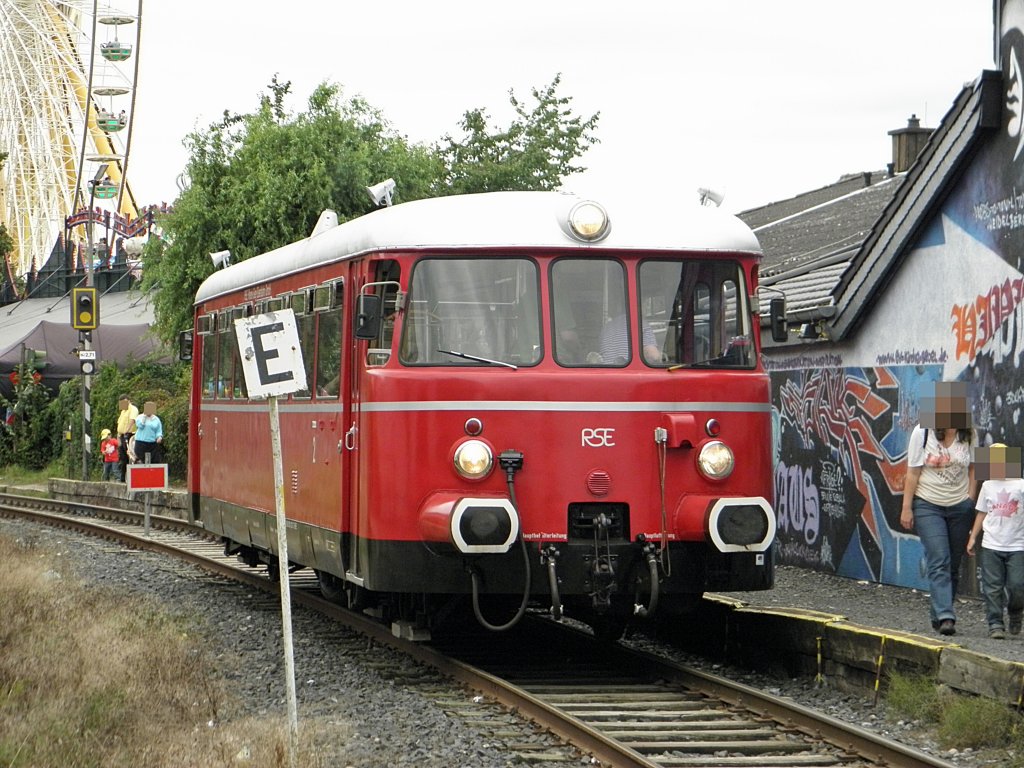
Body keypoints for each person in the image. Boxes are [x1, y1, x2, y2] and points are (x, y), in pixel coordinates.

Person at [900, 381, 976, 636]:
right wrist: (907, 508)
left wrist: (970, 498)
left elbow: (976, 467)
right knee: (939, 558)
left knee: (953, 564)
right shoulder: (922, 433)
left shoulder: (970, 435)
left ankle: (940, 612)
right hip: (928, 504)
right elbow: (912, 472)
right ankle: (946, 616)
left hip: (959, 507)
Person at [967, 443, 1024, 639]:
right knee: (992, 587)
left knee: (1018, 585)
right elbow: (982, 512)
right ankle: (995, 624)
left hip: (1018, 545)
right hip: (991, 544)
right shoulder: (987, 486)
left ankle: (1016, 611)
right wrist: (973, 537)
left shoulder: (1021, 485)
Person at [116, 395, 138, 480]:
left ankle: (131, 477)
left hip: (129, 435)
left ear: (128, 401)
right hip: (122, 435)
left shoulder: (133, 409)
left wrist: (126, 431)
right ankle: (122, 477)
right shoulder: (123, 411)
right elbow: (120, 423)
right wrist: (118, 435)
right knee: (123, 457)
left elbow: (132, 420)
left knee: (130, 455)